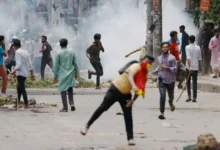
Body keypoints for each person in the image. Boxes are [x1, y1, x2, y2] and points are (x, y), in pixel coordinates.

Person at [80, 55, 155, 146]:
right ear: (142, 61)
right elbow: (131, 75)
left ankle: (130, 138)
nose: (147, 64)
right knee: (102, 108)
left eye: (149, 63)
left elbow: (139, 90)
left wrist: (132, 101)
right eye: (146, 61)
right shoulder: (136, 66)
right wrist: (133, 85)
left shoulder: (144, 76)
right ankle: (87, 126)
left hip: (126, 95)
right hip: (115, 89)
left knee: (128, 116)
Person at [53, 38, 79, 112]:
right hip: (71, 72)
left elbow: (57, 66)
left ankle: (65, 107)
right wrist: (76, 73)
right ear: (67, 44)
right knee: (70, 88)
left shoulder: (58, 53)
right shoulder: (72, 51)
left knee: (62, 89)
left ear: (60, 44)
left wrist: (55, 76)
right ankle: (71, 103)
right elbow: (75, 63)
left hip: (62, 73)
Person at [10, 39, 35, 109]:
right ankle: (17, 104)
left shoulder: (17, 52)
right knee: (19, 88)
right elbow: (30, 63)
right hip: (25, 73)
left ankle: (26, 104)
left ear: (14, 46)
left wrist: (13, 71)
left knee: (22, 88)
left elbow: (19, 64)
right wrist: (32, 74)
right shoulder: (26, 52)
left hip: (20, 73)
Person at [157, 42, 177, 120]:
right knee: (162, 96)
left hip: (171, 80)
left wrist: (166, 67)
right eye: (163, 47)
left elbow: (175, 69)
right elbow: (159, 68)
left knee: (170, 96)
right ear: (161, 48)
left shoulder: (172, 58)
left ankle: (170, 102)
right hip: (162, 79)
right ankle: (161, 113)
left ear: (168, 48)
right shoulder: (159, 58)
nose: (165, 48)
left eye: (166, 47)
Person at [185, 35, 201, 103]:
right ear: (194, 40)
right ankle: (194, 97)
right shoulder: (198, 47)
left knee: (188, 82)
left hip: (189, 67)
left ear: (189, 40)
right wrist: (199, 67)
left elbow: (188, 57)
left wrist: (190, 67)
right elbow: (199, 58)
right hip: (195, 67)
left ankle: (189, 96)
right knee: (194, 82)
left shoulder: (187, 47)